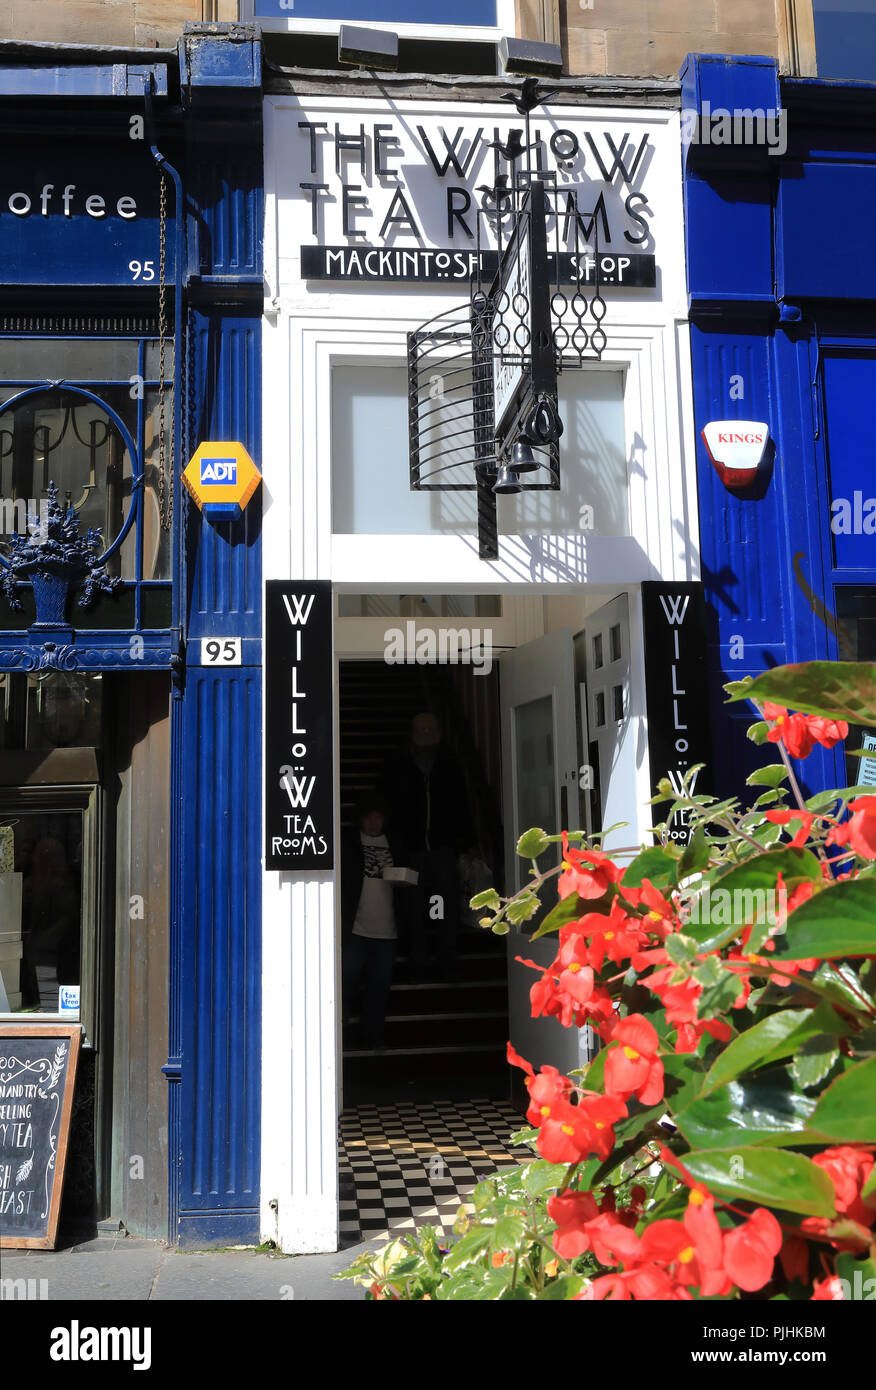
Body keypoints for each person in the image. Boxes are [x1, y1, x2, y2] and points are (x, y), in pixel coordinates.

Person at [379, 711, 474, 981]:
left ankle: (447, 959)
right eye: (421, 729)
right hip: (410, 849)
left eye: (431, 728)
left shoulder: (449, 762)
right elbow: (387, 803)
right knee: (412, 905)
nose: (427, 734)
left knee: (446, 902)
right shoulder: (397, 763)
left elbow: (461, 802)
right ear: (411, 733)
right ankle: (417, 960)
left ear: (439, 732)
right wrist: (392, 841)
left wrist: (467, 842)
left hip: (442, 847)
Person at [340, 792, 406, 1050]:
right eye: (368, 818)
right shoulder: (349, 842)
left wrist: (404, 881)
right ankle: (340, 1033)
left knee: (379, 989)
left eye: (378, 817)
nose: (373, 823)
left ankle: (371, 1036)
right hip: (356, 927)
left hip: (386, 929)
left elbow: (410, 880)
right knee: (346, 983)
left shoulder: (395, 843)